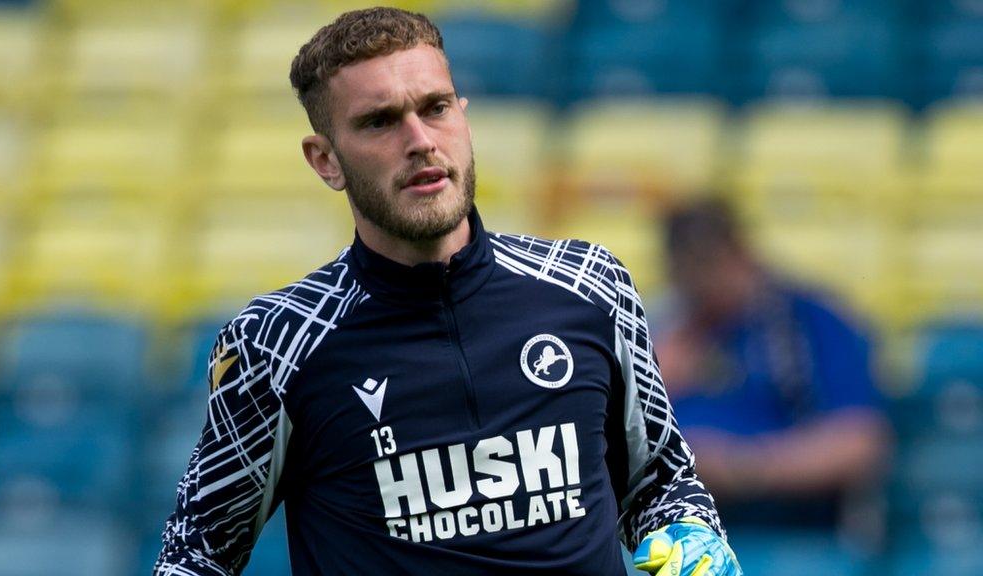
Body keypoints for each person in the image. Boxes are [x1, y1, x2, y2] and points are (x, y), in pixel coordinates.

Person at [154, 8, 741, 575]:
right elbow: (195, 555)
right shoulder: (277, 344)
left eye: (434, 108)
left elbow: (659, 483)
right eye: (379, 121)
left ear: (463, 117)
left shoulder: (590, 286)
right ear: (325, 160)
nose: (420, 141)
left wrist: (691, 531)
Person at [654, 199, 890, 530]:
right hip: (677, 533)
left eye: (707, 263)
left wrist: (741, 468)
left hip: (790, 531)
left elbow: (858, 443)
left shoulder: (810, 323)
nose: (698, 283)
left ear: (739, 255)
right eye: (684, 269)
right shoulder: (663, 332)